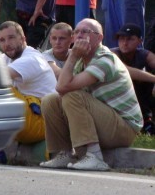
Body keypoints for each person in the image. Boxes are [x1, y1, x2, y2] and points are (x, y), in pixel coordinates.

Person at [40, 18, 141, 170]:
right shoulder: (81, 60)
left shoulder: (105, 59)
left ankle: (95, 157)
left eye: (85, 31)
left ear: (99, 38)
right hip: (104, 123)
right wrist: (74, 57)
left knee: (73, 96)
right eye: (76, 32)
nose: (79, 35)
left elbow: (63, 87)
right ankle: (64, 153)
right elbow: (61, 89)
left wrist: (72, 56)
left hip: (124, 128)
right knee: (50, 100)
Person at [0, 21, 57, 144]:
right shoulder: (8, 57)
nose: (7, 44)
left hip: (44, 121)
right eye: (2, 40)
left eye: (11, 38)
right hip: (31, 115)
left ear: (23, 39)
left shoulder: (32, 58)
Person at [111, 23, 155, 133]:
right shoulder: (112, 53)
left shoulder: (144, 54)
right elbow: (124, 70)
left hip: (140, 100)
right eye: (122, 38)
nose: (125, 43)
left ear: (140, 41)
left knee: (145, 82)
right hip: (116, 102)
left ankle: (147, 121)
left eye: (130, 39)